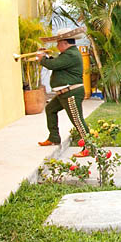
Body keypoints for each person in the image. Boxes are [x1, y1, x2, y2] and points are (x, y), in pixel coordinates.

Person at [37, 27, 91, 157]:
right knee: (50, 109)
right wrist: (47, 57)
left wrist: (42, 59)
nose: (57, 46)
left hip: (71, 93)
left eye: (58, 43)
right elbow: (57, 63)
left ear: (65, 43)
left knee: (77, 120)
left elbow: (53, 65)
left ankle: (89, 147)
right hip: (64, 93)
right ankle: (54, 137)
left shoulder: (71, 54)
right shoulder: (67, 54)